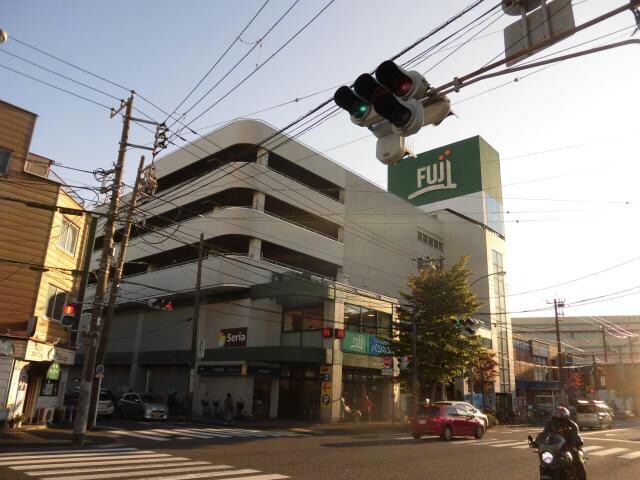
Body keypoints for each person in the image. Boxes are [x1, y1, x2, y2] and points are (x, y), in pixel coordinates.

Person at [542, 406, 587, 480]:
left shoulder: (571, 424)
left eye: (561, 413)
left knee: (577, 462)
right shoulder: (550, 423)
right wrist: (538, 443)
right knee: (545, 462)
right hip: (554, 447)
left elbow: (576, 433)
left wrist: (578, 441)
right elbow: (544, 434)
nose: (559, 415)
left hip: (568, 446)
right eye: (557, 413)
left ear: (565, 414)